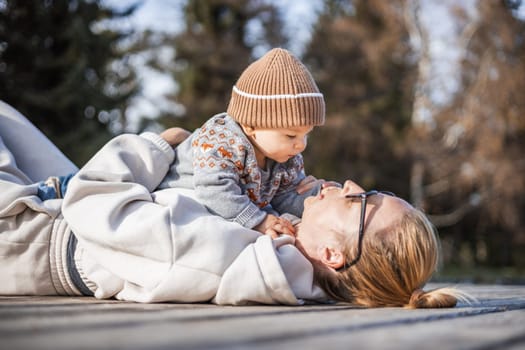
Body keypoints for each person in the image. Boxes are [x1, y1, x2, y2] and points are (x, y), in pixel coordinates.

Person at [0, 100, 466, 308]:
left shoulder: (224, 253)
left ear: (333, 255)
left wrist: (159, 145)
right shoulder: (284, 236)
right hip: (58, 203)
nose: (347, 183)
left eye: (360, 200)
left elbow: (92, 204)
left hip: (30, 236)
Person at [157, 48, 337, 238]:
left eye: (306, 135)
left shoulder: (286, 158)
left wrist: (317, 199)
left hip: (233, 210)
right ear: (250, 125)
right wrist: (258, 221)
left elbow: (285, 197)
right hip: (184, 202)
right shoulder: (221, 142)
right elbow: (214, 192)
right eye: (291, 136)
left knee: (286, 228)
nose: (301, 145)